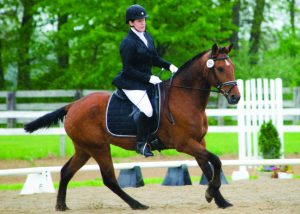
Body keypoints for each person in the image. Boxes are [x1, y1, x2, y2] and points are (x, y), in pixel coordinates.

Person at [112, 4, 178, 157]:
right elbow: (128, 69)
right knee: (148, 110)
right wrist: (149, 78)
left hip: (145, 82)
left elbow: (154, 58)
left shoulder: (147, 36)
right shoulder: (127, 42)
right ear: (131, 23)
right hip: (131, 83)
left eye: (144, 20)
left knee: (161, 104)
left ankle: (156, 138)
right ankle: (141, 143)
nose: (143, 23)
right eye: (139, 21)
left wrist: (169, 66)